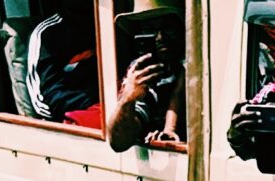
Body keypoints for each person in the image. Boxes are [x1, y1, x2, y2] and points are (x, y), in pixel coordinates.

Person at [104, 5, 184, 150]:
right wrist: (128, 100)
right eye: (150, 30)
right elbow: (118, 142)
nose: (160, 38)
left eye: (168, 28)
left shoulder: (190, 66)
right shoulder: (143, 72)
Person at [26, 3, 103, 127]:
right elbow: (44, 101)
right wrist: (96, 102)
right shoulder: (47, 33)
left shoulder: (111, 23)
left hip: (120, 105)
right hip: (79, 118)